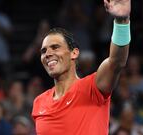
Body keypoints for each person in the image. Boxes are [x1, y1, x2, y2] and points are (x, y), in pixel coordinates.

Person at [32, 0, 131, 134]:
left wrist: (122, 21)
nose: (48, 54)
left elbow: (117, 61)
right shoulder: (39, 102)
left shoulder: (93, 87)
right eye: (43, 51)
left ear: (74, 53)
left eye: (55, 47)